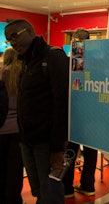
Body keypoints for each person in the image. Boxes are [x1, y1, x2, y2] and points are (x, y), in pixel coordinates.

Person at [4, 19, 69, 204]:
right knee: (40, 192)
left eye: (15, 36)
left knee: (51, 193)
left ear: (30, 31)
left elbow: (62, 103)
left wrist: (57, 148)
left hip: (47, 143)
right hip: (27, 140)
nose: (13, 42)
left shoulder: (52, 57)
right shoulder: (26, 61)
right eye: (9, 40)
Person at [63, 28, 98, 198]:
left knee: (70, 149)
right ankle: (88, 185)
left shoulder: (75, 59)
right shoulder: (98, 61)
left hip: (75, 112)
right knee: (91, 151)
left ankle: (67, 188)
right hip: (93, 112)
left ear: (75, 40)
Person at [0, 47, 23, 204]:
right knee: (15, 170)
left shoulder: (2, 75)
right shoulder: (23, 75)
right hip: (19, 129)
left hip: (1, 128)